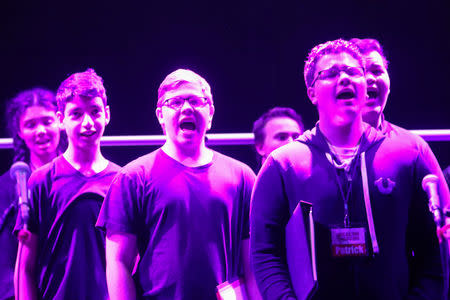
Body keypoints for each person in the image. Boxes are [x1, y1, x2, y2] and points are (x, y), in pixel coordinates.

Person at [250, 39, 444, 299]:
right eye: (330, 74)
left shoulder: (408, 155)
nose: (344, 78)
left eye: (353, 72)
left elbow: (432, 253)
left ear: (364, 87)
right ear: (312, 92)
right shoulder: (282, 165)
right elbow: (266, 255)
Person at [97, 69, 258, 300]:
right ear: (160, 115)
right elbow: (118, 262)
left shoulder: (242, 177)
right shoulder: (132, 178)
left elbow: (251, 266)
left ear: (210, 113)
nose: (186, 107)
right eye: (175, 102)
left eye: (195, 100)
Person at [14, 69, 120, 300]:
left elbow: (130, 263)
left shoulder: (122, 181)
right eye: (76, 114)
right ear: (61, 119)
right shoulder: (41, 180)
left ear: (107, 114)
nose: (87, 123)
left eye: (95, 112)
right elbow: (24, 268)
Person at [350, 37, 450, 242]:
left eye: (377, 70)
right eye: (360, 72)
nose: (370, 78)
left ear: (389, 83)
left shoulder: (414, 148)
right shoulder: (320, 150)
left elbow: (445, 225)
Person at [0, 88, 64, 300]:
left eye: (47, 121)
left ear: (60, 121)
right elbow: (6, 259)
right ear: (19, 131)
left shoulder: (79, 177)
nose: (41, 130)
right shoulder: (7, 187)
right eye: (30, 124)